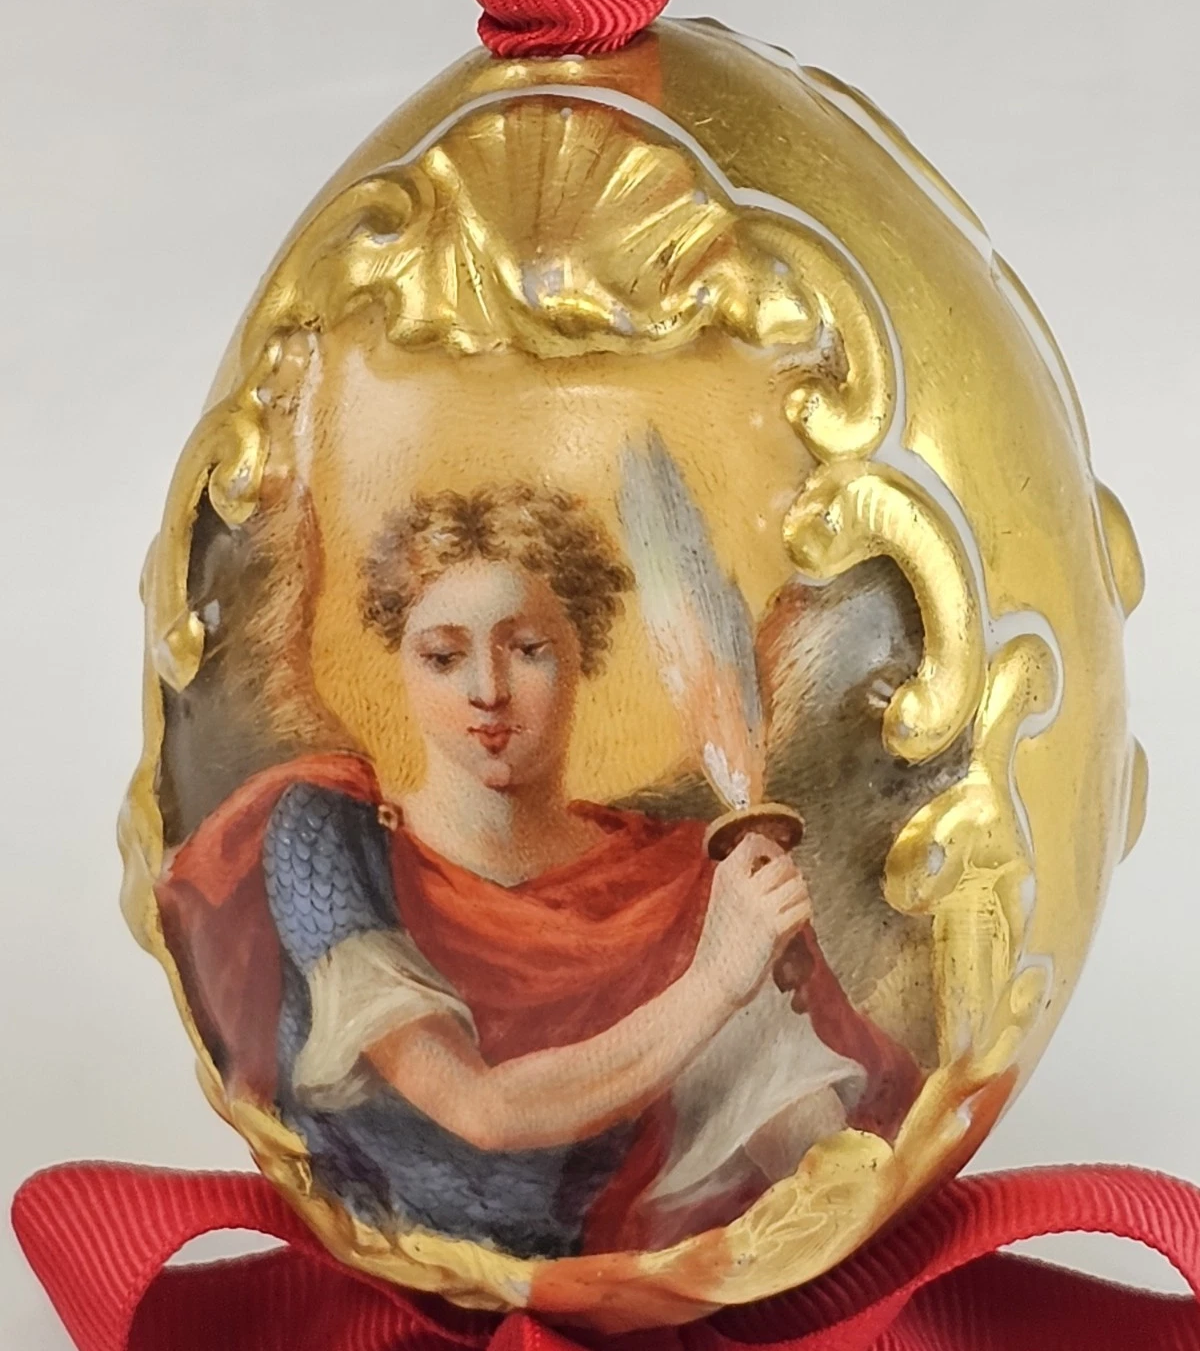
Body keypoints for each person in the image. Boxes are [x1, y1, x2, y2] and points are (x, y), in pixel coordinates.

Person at [158, 485, 920, 1258]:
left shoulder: (679, 878)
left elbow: (805, 1163)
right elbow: (479, 1110)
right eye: (444, 657)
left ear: (581, 653)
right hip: (400, 1273)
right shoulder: (331, 835)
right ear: (400, 665)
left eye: (527, 650)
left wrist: (819, 1178)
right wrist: (718, 978)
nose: (487, 691)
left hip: (655, 1278)